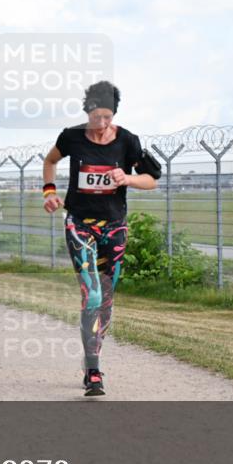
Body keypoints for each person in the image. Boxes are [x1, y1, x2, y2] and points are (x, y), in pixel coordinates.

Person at [42, 81, 160, 396]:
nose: (102, 124)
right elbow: (50, 161)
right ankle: (93, 371)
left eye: (108, 117)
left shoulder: (128, 142)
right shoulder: (71, 137)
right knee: (92, 296)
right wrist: (50, 192)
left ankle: (91, 351)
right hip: (79, 223)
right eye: (97, 116)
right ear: (87, 111)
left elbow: (152, 181)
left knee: (106, 302)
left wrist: (128, 178)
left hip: (115, 227)